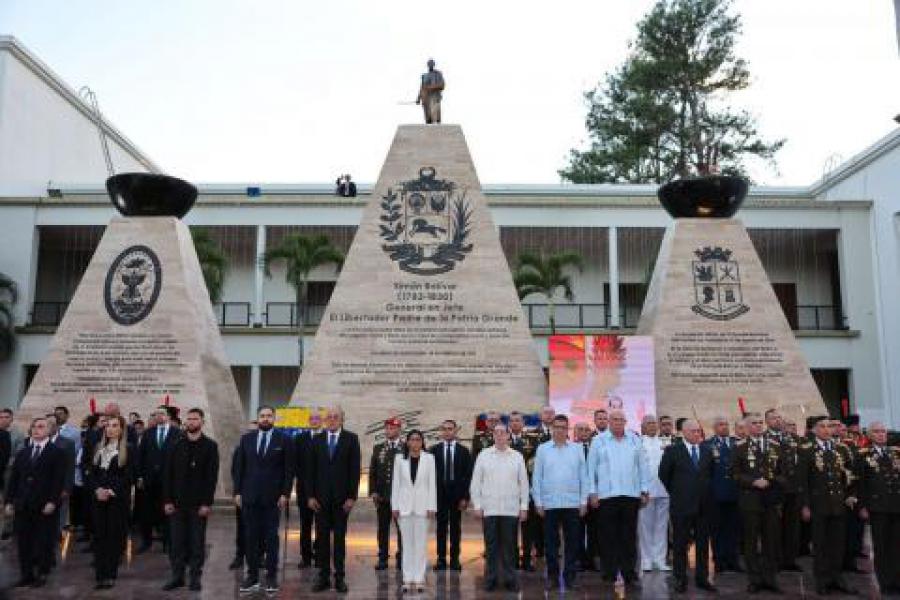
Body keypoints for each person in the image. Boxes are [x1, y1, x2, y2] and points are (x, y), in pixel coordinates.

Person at [232, 406, 294, 594]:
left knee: (271, 539)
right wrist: (237, 492)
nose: (265, 419)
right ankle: (251, 576)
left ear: (274, 418)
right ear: (257, 419)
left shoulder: (284, 440)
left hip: (272, 499)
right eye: (262, 416)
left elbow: (288, 470)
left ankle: (271, 576)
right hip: (249, 497)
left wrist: (285, 493)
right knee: (250, 538)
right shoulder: (246, 439)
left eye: (269, 416)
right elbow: (239, 467)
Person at [587, 408, 649, 587]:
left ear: (625, 422)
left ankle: (629, 573)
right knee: (608, 536)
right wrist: (592, 492)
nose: (617, 422)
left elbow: (642, 467)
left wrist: (644, 490)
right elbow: (590, 469)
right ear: (608, 421)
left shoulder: (634, 440)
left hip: (630, 494)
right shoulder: (598, 441)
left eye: (620, 419)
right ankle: (609, 572)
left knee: (629, 536)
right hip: (606, 496)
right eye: (613, 419)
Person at [799, 415, 858, 596]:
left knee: (838, 544)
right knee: (821, 544)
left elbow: (850, 475)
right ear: (815, 430)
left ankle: (837, 578)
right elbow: (803, 481)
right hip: (818, 505)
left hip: (838, 504)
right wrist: (805, 505)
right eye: (822, 426)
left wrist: (851, 495)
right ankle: (822, 580)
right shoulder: (807, 450)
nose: (826, 429)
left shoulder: (841, 449)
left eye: (829, 426)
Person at [162, 408, 219, 592]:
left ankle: (195, 576)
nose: (191, 422)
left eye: (195, 419)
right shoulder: (175, 444)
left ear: (202, 422)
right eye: (189, 419)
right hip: (177, 503)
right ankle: (177, 576)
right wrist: (167, 500)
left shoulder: (210, 446)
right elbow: (167, 474)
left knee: (196, 543)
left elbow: (212, 478)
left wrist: (206, 503)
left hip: (198, 504)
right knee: (177, 543)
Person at [306, 407, 361, 594]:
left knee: (339, 540)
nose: (331, 420)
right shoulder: (317, 440)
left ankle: (339, 577)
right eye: (328, 417)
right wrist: (310, 496)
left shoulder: (351, 439)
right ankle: (323, 576)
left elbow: (355, 470)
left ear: (342, 419)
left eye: (335, 417)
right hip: (320, 501)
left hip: (341, 501)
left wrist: (352, 497)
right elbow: (310, 471)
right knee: (321, 540)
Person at [5, 416, 65, 588]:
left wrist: (52, 501)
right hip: (24, 505)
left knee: (43, 541)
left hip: (45, 505)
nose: (37, 429)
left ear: (48, 430)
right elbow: (14, 479)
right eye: (34, 426)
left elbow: (58, 480)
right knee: (23, 541)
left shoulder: (56, 452)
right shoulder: (23, 452)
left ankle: (42, 573)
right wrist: (9, 501)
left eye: (41, 426)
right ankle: (26, 574)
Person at [531, 414, 590, 592]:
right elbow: (537, 477)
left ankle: (570, 577)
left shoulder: (576, 449)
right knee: (550, 544)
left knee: (573, 543)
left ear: (567, 430)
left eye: (563, 427)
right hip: (549, 504)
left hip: (572, 504)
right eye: (556, 427)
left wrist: (583, 501)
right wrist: (538, 502)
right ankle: (552, 577)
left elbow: (583, 477)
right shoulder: (542, 449)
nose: (559, 430)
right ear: (552, 428)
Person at [469, 423, 530, 593]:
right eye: (497, 433)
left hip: (511, 509)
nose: (500, 435)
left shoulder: (517, 456)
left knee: (510, 547)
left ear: (508, 436)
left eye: (503, 433)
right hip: (490, 509)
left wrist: (524, 507)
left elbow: (523, 484)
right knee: (491, 547)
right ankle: (491, 579)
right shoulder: (484, 455)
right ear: (493, 436)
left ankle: (510, 579)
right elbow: (475, 483)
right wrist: (477, 505)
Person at [658, 419, 716, 593]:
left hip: (704, 506)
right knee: (680, 544)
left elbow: (710, 475)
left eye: (699, 431)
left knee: (703, 544)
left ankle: (702, 578)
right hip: (681, 505)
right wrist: (678, 492)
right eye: (693, 431)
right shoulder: (672, 451)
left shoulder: (707, 451)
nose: (697, 434)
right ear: (684, 432)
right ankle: (680, 579)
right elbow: (664, 475)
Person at [731, 412, 785, 594]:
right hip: (750, 501)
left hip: (770, 501)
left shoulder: (775, 446)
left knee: (771, 541)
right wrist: (753, 481)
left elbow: (783, 472)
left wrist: (772, 480)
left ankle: (770, 578)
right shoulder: (739, 447)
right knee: (751, 541)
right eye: (754, 423)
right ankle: (754, 579)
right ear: (746, 427)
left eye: (760, 423)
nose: (758, 426)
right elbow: (735, 474)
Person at [88, 415, 133, 590]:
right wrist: (97, 490)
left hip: (117, 501)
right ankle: (100, 575)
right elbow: (91, 473)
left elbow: (128, 476)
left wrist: (110, 491)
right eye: (108, 425)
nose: (110, 428)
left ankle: (110, 574)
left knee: (113, 538)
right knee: (99, 537)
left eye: (115, 425)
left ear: (121, 429)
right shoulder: (98, 448)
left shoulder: (128, 449)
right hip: (98, 500)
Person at [856, 421, 900, 595]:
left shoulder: (896, 453)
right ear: (870, 435)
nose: (882, 434)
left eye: (883, 431)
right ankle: (885, 582)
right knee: (881, 546)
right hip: (877, 506)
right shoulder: (863, 455)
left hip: (896, 504)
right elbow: (859, 483)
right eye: (877, 431)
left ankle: (897, 580)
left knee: (896, 545)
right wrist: (862, 505)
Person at [391, 430, 437, 593]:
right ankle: (407, 578)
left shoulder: (429, 459)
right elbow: (396, 484)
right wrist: (394, 506)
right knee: (407, 545)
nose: (415, 442)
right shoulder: (399, 459)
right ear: (408, 442)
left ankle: (419, 579)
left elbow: (432, 484)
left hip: (423, 507)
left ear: (422, 442)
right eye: (412, 439)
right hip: (404, 508)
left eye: (418, 440)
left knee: (420, 545)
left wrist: (432, 506)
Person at [136, 406, 181, 553]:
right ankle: (146, 541)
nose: (158, 416)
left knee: (168, 513)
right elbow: (140, 456)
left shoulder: (177, 433)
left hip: (169, 482)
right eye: (156, 414)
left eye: (162, 414)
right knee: (146, 512)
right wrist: (140, 476)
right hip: (149, 481)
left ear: (168, 416)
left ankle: (168, 543)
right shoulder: (148, 433)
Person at [429, 419, 471, 572]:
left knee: (455, 528)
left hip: (457, 496)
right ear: (441, 431)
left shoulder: (464, 451)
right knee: (440, 529)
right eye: (444, 429)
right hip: (439, 496)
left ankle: (454, 559)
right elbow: (429, 476)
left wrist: (465, 497)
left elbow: (468, 476)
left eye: (450, 429)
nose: (447, 432)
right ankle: (441, 559)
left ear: (455, 430)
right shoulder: (433, 451)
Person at [703, 416, 741, 573]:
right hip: (716, 494)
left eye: (726, 424)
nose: (724, 427)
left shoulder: (737, 443)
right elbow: (705, 472)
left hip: (734, 493)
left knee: (733, 529)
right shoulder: (707, 445)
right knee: (717, 530)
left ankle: (733, 560)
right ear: (714, 428)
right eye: (720, 425)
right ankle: (719, 560)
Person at [369, 417, 405, 571]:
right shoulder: (378, 448)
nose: (389, 431)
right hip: (383, 496)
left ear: (399, 430)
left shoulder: (406, 448)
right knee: (383, 528)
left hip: (401, 497)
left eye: (392, 428)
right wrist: (373, 491)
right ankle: (383, 557)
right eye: (387, 428)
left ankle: (401, 557)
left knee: (402, 529)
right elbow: (373, 471)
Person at [639, 414, 670, 573]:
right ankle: (646, 560)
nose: (652, 426)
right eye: (648, 423)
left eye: (654, 423)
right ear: (643, 426)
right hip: (646, 491)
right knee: (645, 527)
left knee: (661, 526)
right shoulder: (638, 443)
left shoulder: (665, 442)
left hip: (664, 490)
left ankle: (659, 559)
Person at [508, 411, 539, 571]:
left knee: (528, 528)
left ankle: (527, 560)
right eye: (512, 421)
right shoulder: (503, 440)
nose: (515, 423)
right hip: (510, 491)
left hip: (528, 489)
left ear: (523, 423)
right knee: (511, 527)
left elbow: (536, 465)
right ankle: (513, 560)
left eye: (518, 421)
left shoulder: (533, 440)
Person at [294, 411, 321, 570]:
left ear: (321, 421)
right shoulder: (300, 438)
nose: (314, 421)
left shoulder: (326, 437)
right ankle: (305, 556)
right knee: (305, 525)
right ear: (308, 421)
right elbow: (295, 462)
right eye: (312, 418)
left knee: (320, 525)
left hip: (322, 490)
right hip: (303, 489)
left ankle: (319, 555)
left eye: (317, 418)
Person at [777, 417, 804, 572]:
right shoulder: (771, 441)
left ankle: (791, 559)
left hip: (795, 490)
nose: (785, 426)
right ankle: (778, 559)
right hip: (780, 490)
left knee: (793, 527)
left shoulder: (798, 441)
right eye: (782, 424)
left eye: (786, 424)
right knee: (778, 527)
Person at [573, 422, 599, 571]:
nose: (584, 432)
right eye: (580, 429)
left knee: (594, 531)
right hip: (577, 497)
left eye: (586, 430)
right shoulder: (570, 449)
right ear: (575, 432)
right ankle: (579, 560)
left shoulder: (596, 448)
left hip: (594, 496)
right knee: (577, 530)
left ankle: (591, 559)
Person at [47, 415, 77, 538]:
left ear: (58, 427)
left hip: (61, 484)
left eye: (51, 425)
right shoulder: (38, 441)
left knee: (61, 510)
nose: (48, 427)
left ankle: (57, 532)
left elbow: (70, 466)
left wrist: (67, 487)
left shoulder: (67, 443)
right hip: (43, 485)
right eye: (46, 424)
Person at [416, 59, 444, 124]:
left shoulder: (438, 74)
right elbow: (422, 87)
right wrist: (418, 98)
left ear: (434, 65)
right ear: (427, 65)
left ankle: (436, 127)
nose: (430, 65)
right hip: (425, 97)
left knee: (434, 114)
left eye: (432, 63)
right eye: (429, 64)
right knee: (428, 117)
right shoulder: (424, 76)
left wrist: (430, 87)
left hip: (434, 96)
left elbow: (442, 85)